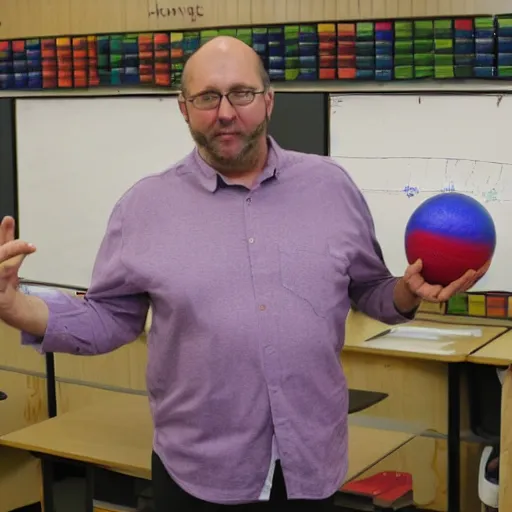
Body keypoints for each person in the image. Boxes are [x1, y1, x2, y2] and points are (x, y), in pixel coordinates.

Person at [0, 36, 486, 512]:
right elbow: (110, 318)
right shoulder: (143, 207)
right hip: (199, 475)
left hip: (311, 466)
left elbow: (369, 290)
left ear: (269, 100)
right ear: (183, 107)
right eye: (207, 97)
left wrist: (404, 292)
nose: (226, 112)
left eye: (242, 93)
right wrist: (16, 307)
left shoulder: (330, 187)